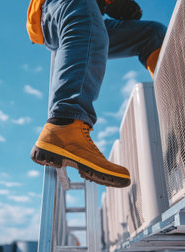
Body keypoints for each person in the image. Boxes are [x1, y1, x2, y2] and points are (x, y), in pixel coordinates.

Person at [27, 0, 166, 188]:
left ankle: (181, 110)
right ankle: (64, 124)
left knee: (152, 33)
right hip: (58, 8)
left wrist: (108, 5)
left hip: (86, 13)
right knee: (83, 15)